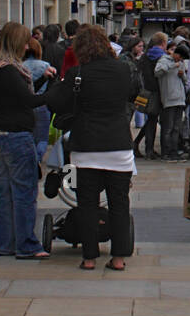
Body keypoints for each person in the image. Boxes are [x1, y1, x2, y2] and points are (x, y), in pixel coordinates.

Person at [46, 25, 138, 270]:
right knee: (120, 203)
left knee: (86, 203)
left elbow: (55, 102)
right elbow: (136, 93)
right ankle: (118, 259)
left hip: (86, 147)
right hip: (119, 145)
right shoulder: (122, 70)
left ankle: (88, 258)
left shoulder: (78, 73)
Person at [0, 22, 52, 258]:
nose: (28, 46)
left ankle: (4, 244)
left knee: (5, 194)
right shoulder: (9, 70)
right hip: (16, 135)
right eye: (25, 41)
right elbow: (28, 101)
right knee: (24, 192)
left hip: (0, 134)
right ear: (17, 42)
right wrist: (53, 94)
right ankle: (26, 245)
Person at [23, 37, 57, 161]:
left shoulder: (20, 66)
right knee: (42, 138)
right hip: (42, 103)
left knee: (29, 136)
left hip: (26, 104)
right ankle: (37, 158)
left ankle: (30, 158)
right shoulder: (45, 66)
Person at [155, 41, 190, 160]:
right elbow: (157, 72)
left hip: (180, 99)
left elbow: (186, 81)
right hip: (169, 99)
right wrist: (172, 66)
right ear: (176, 54)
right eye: (179, 57)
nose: (180, 60)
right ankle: (166, 151)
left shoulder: (180, 63)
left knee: (176, 128)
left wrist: (183, 75)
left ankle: (174, 151)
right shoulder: (164, 60)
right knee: (168, 128)